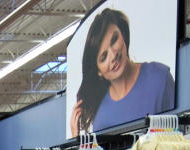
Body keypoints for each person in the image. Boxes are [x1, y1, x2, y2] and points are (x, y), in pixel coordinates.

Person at [70, 8, 175, 137]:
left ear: (123, 34)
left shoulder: (160, 78)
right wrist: (76, 140)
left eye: (114, 40)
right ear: (98, 71)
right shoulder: (101, 116)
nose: (113, 55)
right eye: (104, 57)